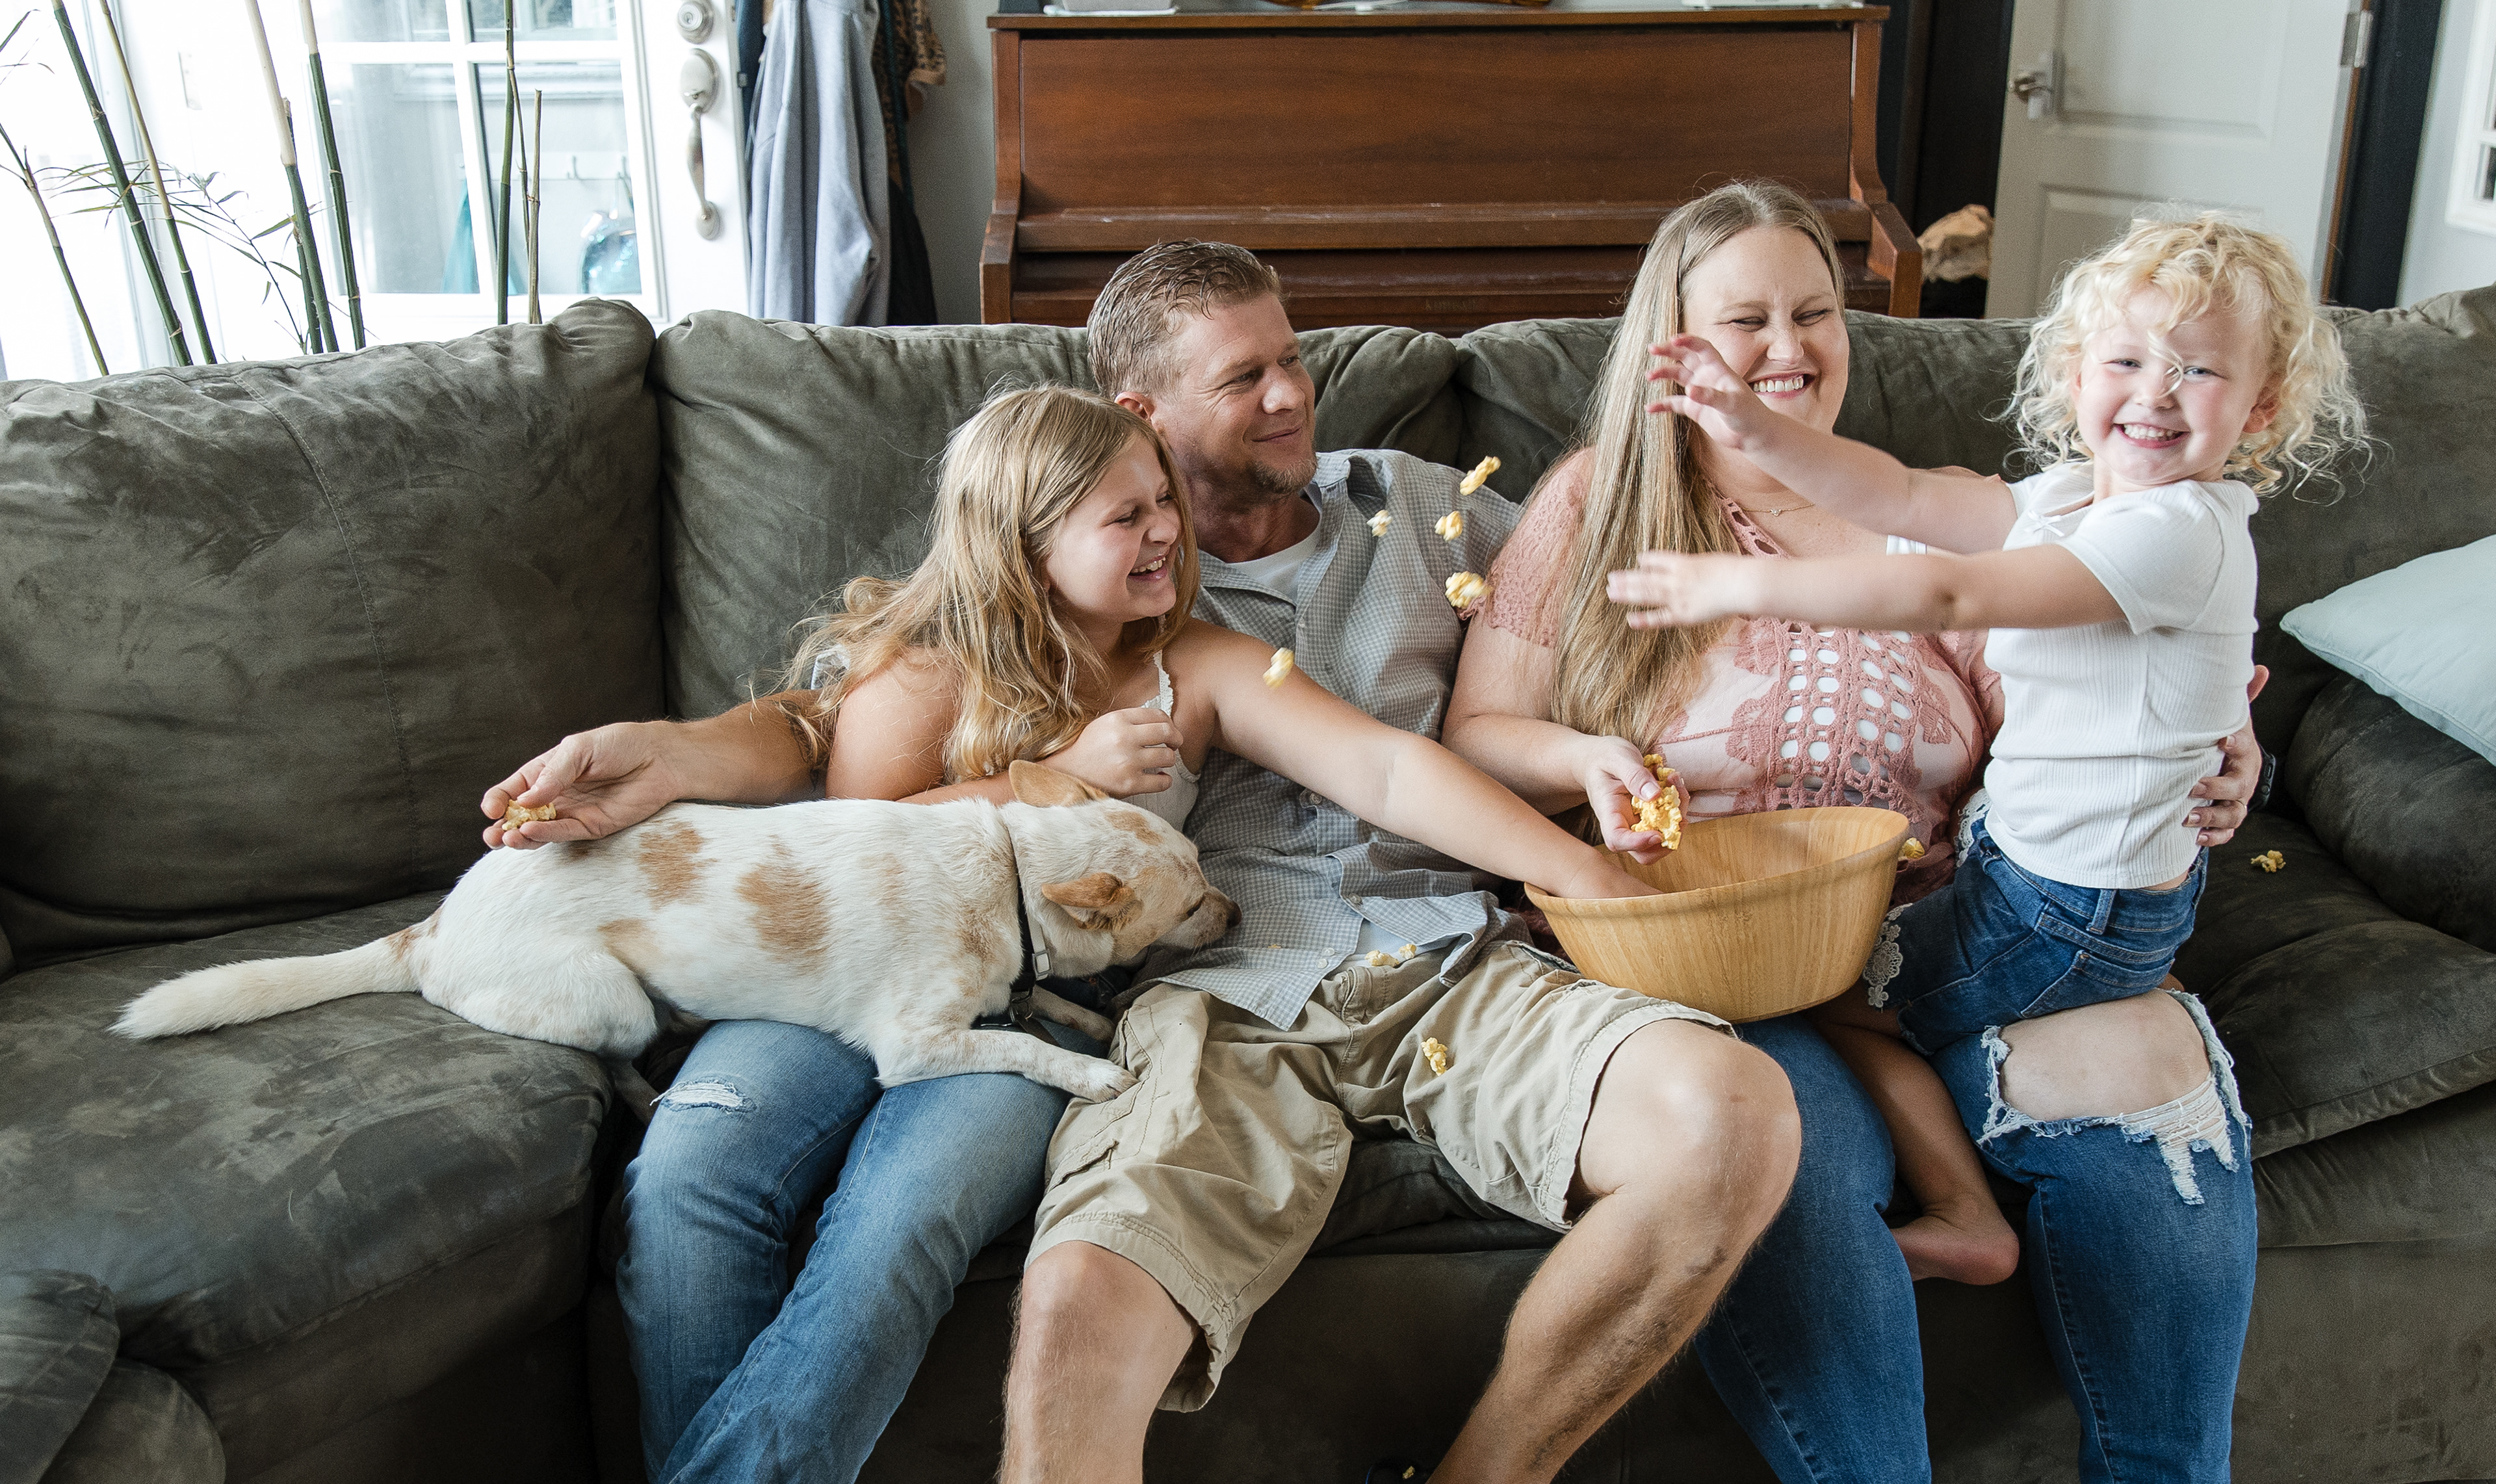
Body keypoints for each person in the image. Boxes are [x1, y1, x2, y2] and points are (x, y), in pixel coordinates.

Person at [481, 377, 1667, 1483]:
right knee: (692, 1178)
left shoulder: (1192, 661)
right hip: (835, 985)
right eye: (1124, 516)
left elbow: (1387, 770)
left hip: (1034, 1016)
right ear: (1028, 549)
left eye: (1163, 501)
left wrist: (1572, 866)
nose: (1166, 532)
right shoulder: (923, 668)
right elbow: (858, 840)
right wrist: (1049, 778)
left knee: (898, 1226)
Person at [1443, 181, 2274, 1484]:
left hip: (1951, 926)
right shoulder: (1601, 499)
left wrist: (2229, 754)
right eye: (1748, 319)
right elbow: (1478, 736)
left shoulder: (1942, 517)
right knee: (1789, 1142)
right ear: (1675, 341)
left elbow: (2094, 696)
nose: (1789, 349)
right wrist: (1582, 754)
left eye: (1815, 312)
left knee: (2149, 1095)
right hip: (1710, 955)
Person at [998, 241, 1803, 1484]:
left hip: (1453, 957)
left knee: (1733, 1117)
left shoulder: (1430, 509)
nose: (1288, 396)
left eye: (1292, 358)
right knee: (1071, 1302)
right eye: (1241, 379)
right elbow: (878, 696)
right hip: (1224, 994)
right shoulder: (1088, 572)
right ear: (1139, 417)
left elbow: (1630, 619)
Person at [1618, 211, 2366, 1301]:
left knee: (1836, 991)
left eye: (2197, 372)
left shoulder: (2179, 531)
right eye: (2126, 360)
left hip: (2077, 910)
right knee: (1845, 982)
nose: (2154, 395)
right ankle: (1973, 1191)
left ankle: (1970, 1216)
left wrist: (1739, 584)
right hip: (2030, 876)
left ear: (2259, 409)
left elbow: (1951, 589)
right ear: (2074, 375)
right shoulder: (2072, 500)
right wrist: (1751, 428)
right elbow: (1903, 499)